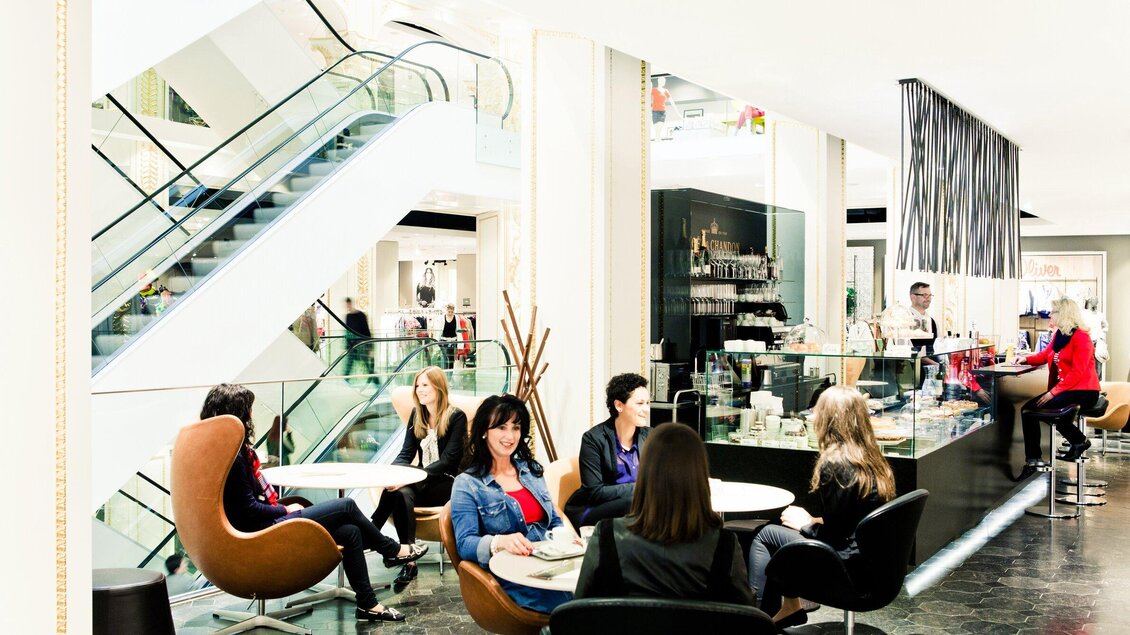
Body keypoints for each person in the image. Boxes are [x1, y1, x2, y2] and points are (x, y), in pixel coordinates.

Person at [203, 383, 426, 622]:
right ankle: (392, 550)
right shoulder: (235, 460)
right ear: (237, 414)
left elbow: (248, 502)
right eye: (248, 409)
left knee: (350, 532)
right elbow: (248, 510)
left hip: (264, 524)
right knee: (347, 506)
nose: (252, 415)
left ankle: (368, 604)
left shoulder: (227, 453)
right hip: (261, 531)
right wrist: (285, 508)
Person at [748, 386, 896, 628]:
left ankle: (757, 622)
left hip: (847, 566)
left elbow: (835, 538)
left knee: (766, 534)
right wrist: (815, 520)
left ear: (830, 419)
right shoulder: (872, 459)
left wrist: (807, 523)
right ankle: (789, 607)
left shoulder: (836, 465)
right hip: (875, 564)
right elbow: (851, 519)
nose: (813, 416)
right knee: (781, 528)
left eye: (817, 411)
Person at [574, 423, 753, 604]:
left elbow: (581, 610)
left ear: (645, 473)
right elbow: (746, 616)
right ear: (699, 478)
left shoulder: (608, 536)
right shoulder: (724, 545)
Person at [450, 394, 573, 614]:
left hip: (551, 566)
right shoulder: (467, 484)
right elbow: (465, 544)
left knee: (603, 593)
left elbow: (553, 520)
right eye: (502, 427)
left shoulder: (531, 471)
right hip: (512, 577)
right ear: (484, 432)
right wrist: (500, 542)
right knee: (576, 610)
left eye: (516, 428)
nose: (510, 436)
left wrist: (569, 542)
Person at [371, 366, 467, 585]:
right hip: (421, 484)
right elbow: (406, 453)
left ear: (438, 387)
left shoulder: (456, 416)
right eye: (417, 385)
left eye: (425, 385)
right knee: (401, 492)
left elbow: (447, 462)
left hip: (446, 482)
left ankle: (371, 531)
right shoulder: (417, 414)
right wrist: (394, 475)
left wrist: (410, 477)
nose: (419, 390)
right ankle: (409, 561)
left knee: (405, 488)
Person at [1014, 297, 1101, 478]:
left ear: (1064, 314)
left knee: (1039, 409)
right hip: (1068, 389)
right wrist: (1025, 359)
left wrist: (1053, 392)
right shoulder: (1060, 335)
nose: (1050, 315)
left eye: (1053, 312)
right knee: (1028, 410)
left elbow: (1077, 373)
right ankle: (1036, 459)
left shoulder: (1081, 338)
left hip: (1084, 391)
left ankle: (1076, 441)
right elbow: (1045, 355)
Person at [564, 373, 652, 529]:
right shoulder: (593, 439)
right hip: (592, 509)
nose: (646, 409)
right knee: (633, 504)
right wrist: (639, 489)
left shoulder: (650, 436)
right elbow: (594, 492)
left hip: (638, 506)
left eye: (647, 403)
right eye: (640, 403)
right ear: (619, 405)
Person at [343, 297, 375, 383]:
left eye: (348, 305)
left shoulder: (361, 315)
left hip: (362, 344)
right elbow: (347, 332)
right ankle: (345, 380)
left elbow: (366, 330)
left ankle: (376, 380)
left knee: (366, 364)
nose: (347, 307)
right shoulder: (348, 316)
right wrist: (347, 345)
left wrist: (370, 346)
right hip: (352, 345)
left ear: (350, 304)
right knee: (349, 364)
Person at [908, 282, 938, 353]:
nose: (928, 299)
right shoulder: (905, 319)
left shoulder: (932, 321)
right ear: (913, 297)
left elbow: (937, 347)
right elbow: (907, 351)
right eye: (924, 295)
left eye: (930, 295)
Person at [650, 76, 678, 141]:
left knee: (659, 130)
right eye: (661, 81)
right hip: (655, 112)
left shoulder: (666, 91)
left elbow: (672, 101)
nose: (663, 82)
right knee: (657, 130)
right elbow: (648, 97)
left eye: (664, 81)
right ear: (658, 81)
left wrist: (677, 112)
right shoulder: (653, 90)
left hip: (663, 112)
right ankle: (657, 142)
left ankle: (658, 141)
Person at [439, 303, 459, 369]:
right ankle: (444, 373)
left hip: (453, 341)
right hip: (443, 341)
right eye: (449, 311)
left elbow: (458, 330)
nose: (450, 313)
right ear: (446, 310)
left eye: (452, 312)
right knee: (444, 358)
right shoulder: (442, 318)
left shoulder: (456, 318)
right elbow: (439, 330)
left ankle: (450, 375)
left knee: (451, 359)